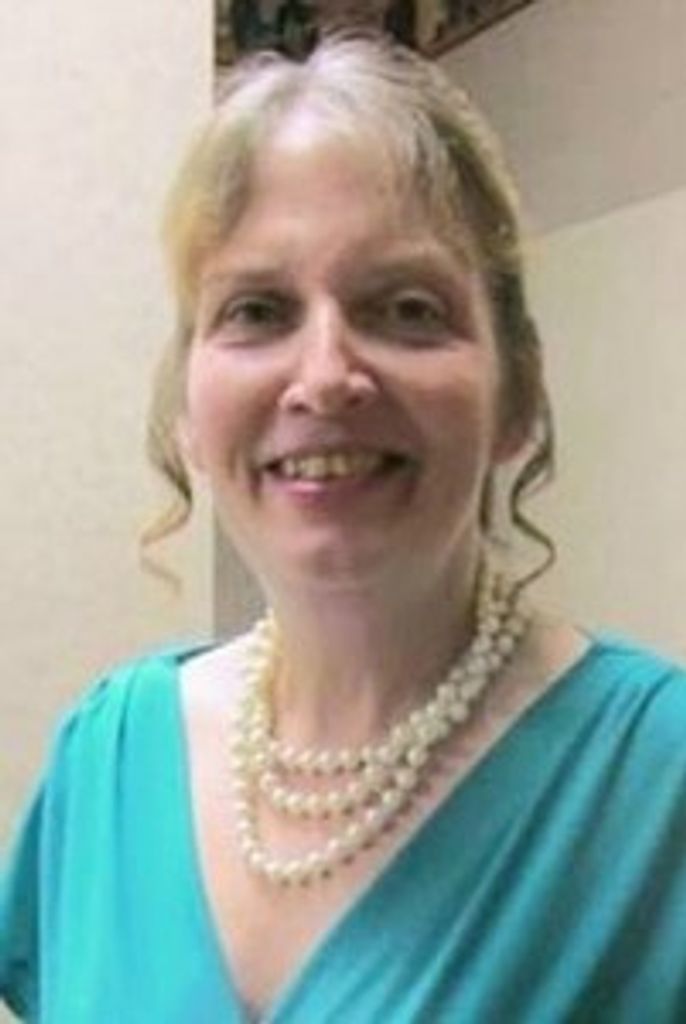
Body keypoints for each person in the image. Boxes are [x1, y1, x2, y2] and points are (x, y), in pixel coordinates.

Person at [2, 33, 686, 1024]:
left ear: (516, 398)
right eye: (257, 310)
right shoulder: (106, 756)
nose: (324, 377)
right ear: (187, 410)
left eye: (405, 308)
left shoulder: (657, 782)